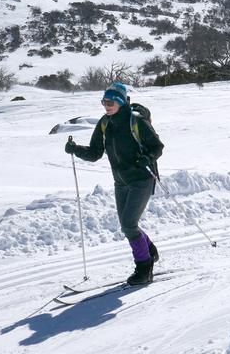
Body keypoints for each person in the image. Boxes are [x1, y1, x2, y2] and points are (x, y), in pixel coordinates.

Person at [65, 82, 164, 285]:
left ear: (120, 101)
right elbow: (94, 153)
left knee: (129, 224)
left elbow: (157, 146)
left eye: (110, 102)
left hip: (142, 179)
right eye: (104, 102)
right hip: (121, 182)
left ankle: (144, 269)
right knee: (127, 225)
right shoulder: (105, 123)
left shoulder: (135, 121)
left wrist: (148, 157)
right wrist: (75, 149)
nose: (106, 106)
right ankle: (150, 251)